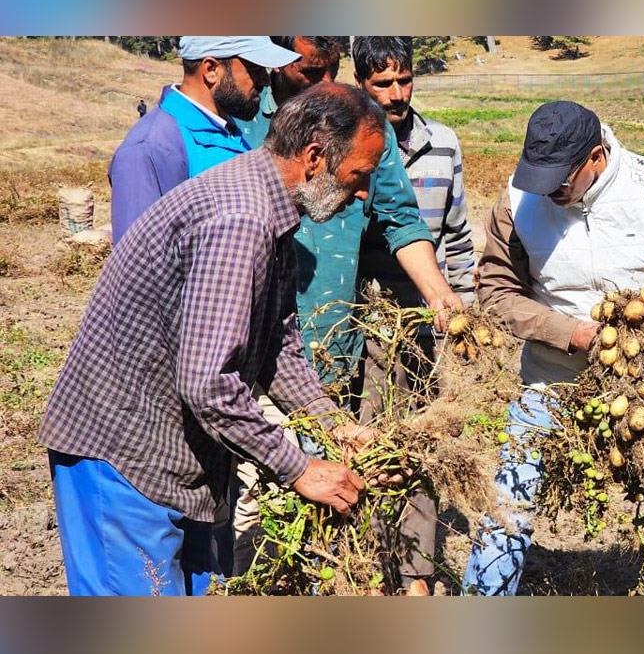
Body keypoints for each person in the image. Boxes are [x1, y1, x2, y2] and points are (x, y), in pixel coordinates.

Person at [39, 83, 385, 596]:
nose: (362, 193)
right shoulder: (240, 218)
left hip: (180, 456)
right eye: (359, 174)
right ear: (315, 157)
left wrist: (335, 427)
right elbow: (208, 384)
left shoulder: (274, 212)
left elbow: (277, 347)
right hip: (123, 458)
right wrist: (299, 468)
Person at [228, 38, 461, 589]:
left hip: (328, 354)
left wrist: (438, 294)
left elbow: (401, 217)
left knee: (332, 509)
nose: (325, 84)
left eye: (334, 70)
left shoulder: (359, 122)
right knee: (254, 515)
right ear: (275, 59)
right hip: (246, 354)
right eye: (312, 71)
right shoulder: (239, 122)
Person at [467, 100, 644, 595]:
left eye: (559, 181)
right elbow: (496, 291)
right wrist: (571, 333)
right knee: (508, 503)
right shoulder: (516, 202)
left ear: (595, 156)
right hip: (550, 379)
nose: (549, 193)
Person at [352, 37, 478, 594]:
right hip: (357, 321)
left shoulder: (443, 145)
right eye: (382, 84)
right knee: (368, 441)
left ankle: (417, 574)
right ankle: (370, 563)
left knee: (421, 444)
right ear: (360, 85)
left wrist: (463, 319)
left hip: (424, 320)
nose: (396, 94)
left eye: (404, 80)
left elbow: (456, 239)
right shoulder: (344, 143)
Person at [108, 36, 299, 244]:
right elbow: (137, 261)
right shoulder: (149, 149)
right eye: (254, 69)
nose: (264, 80)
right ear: (211, 70)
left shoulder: (225, 128)